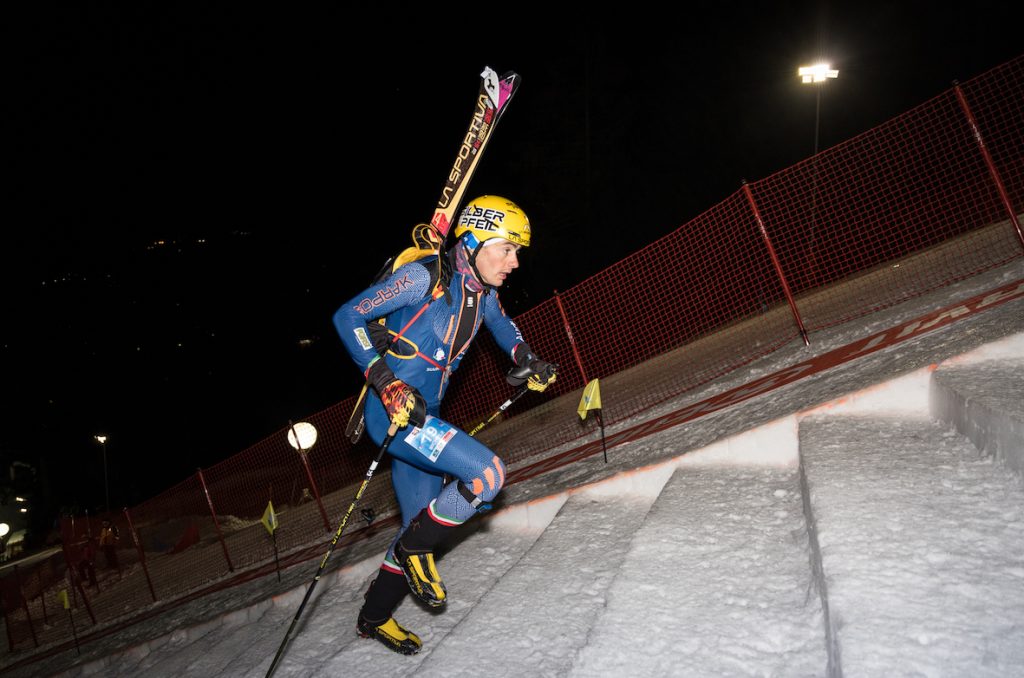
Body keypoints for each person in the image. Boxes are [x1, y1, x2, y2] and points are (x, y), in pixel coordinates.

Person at [333, 195, 557, 655]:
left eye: (518, 252)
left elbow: (505, 329)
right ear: (473, 241)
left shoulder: (484, 296)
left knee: (420, 523)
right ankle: (415, 550)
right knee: (487, 475)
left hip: (423, 417)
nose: (514, 262)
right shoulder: (424, 279)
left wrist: (527, 359)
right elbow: (347, 316)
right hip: (392, 413)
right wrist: (385, 382)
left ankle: (373, 617)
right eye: (507, 249)